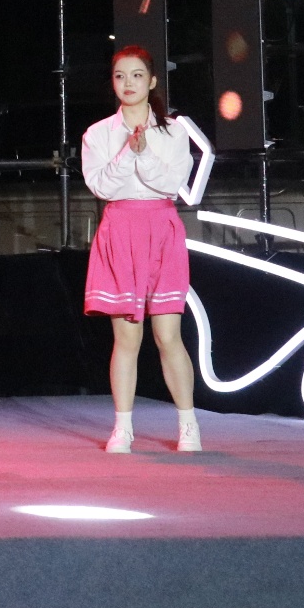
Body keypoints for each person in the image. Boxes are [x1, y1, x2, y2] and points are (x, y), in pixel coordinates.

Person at [82, 45, 203, 454]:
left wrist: (144, 153)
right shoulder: (98, 133)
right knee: (126, 338)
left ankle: (188, 425)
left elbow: (170, 184)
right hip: (119, 229)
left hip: (161, 229)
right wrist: (126, 155)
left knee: (168, 334)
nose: (128, 83)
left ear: (151, 81)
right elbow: (101, 186)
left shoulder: (174, 132)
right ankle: (123, 428)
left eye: (136, 75)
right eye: (120, 76)